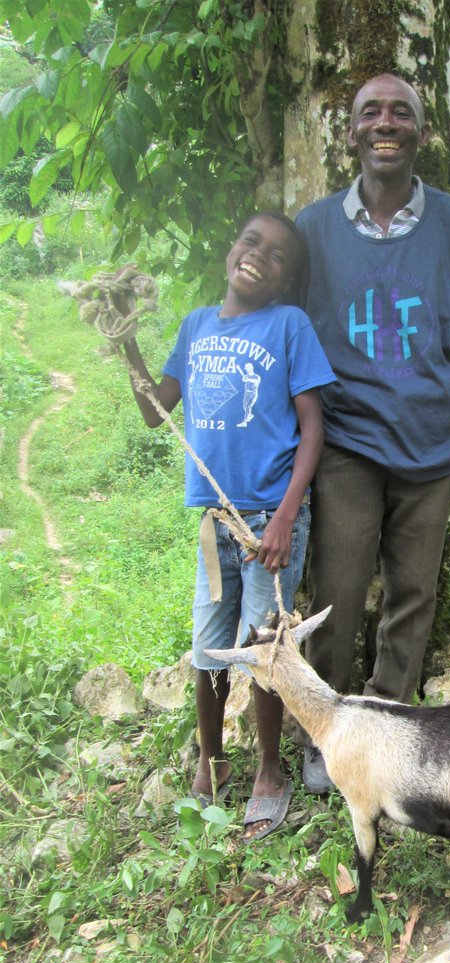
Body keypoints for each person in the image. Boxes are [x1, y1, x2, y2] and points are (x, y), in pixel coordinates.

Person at [293, 73, 450, 794]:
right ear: (350, 132)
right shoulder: (315, 229)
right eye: (370, 113)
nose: (385, 124)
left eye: (401, 113)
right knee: (339, 590)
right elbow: (281, 331)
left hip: (434, 447)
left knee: (415, 596)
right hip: (348, 443)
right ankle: (325, 736)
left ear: (422, 132)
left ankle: (385, 732)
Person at [118, 212, 336, 839]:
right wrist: (127, 340)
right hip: (215, 523)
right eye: (250, 243)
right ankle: (209, 762)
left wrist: (287, 517)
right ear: (230, 248)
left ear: (285, 280)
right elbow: (155, 413)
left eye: (275, 257)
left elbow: (313, 428)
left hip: (269, 520)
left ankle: (270, 770)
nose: (257, 258)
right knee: (211, 642)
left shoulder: (288, 327)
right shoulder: (194, 327)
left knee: (263, 646)